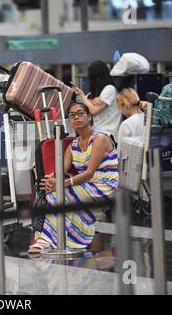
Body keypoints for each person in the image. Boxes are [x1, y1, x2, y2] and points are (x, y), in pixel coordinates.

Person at [28, 102, 119, 253]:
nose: (76, 117)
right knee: (52, 193)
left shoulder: (100, 138)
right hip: (86, 185)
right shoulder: (73, 145)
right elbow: (60, 170)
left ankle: (46, 240)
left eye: (80, 113)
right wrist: (50, 179)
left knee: (58, 195)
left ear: (89, 117)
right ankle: (59, 240)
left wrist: (62, 184)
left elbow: (90, 172)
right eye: (71, 115)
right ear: (69, 121)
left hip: (104, 185)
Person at [73, 60, 122, 141]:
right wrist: (91, 100)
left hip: (109, 135)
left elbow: (94, 111)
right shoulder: (96, 92)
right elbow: (83, 102)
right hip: (96, 133)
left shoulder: (110, 89)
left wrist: (82, 96)